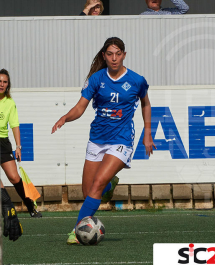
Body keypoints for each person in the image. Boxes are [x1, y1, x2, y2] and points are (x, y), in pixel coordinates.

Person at [51, 37, 156, 244]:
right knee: (88, 191)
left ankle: (76, 231)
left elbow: (146, 103)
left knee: (97, 184)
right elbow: (80, 107)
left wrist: (148, 132)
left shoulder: (136, 80)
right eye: (110, 54)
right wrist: (65, 117)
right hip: (97, 139)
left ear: (124, 55)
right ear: (104, 56)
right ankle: (108, 187)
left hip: (122, 139)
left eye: (118, 54)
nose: (114, 58)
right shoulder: (96, 79)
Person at [0, 69, 42, 218]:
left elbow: (14, 125)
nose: (2, 84)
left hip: (3, 143)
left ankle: (31, 207)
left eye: (5, 82)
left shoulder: (10, 103)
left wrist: (18, 146)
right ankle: (6, 207)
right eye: (0, 81)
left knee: (14, 178)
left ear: (8, 85)